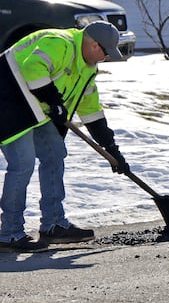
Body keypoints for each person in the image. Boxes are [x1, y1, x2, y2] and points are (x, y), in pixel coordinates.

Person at [0, 21, 130, 252]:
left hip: (35, 107)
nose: (105, 58)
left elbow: (91, 111)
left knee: (55, 152)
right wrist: (53, 101)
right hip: (7, 100)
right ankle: (9, 234)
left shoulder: (87, 69)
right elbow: (33, 68)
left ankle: (54, 225)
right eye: (105, 52)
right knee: (23, 163)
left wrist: (111, 148)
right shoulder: (61, 43)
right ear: (92, 44)